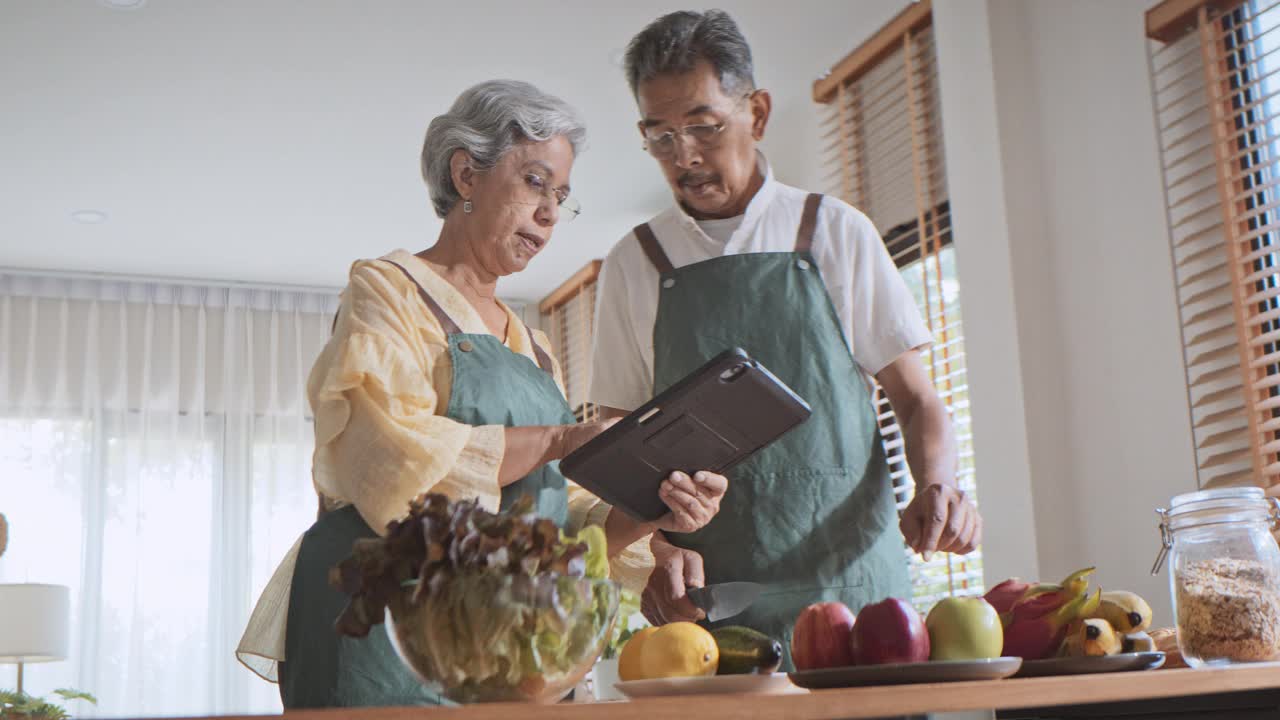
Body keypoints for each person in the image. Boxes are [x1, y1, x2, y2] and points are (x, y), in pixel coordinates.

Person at [235, 79, 728, 708]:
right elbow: (388, 457)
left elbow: (560, 520)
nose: (550, 212)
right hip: (383, 628)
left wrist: (646, 515)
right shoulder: (387, 291)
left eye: (562, 196)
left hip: (504, 646)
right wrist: (558, 438)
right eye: (534, 182)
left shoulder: (535, 346)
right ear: (466, 174)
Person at [589, 11, 982, 667]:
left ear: (758, 113)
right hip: (713, 607)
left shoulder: (834, 231)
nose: (684, 156)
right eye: (660, 137)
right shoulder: (636, 261)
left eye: (703, 126)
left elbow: (915, 400)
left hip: (857, 588)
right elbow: (618, 440)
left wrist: (938, 485)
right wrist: (654, 550)